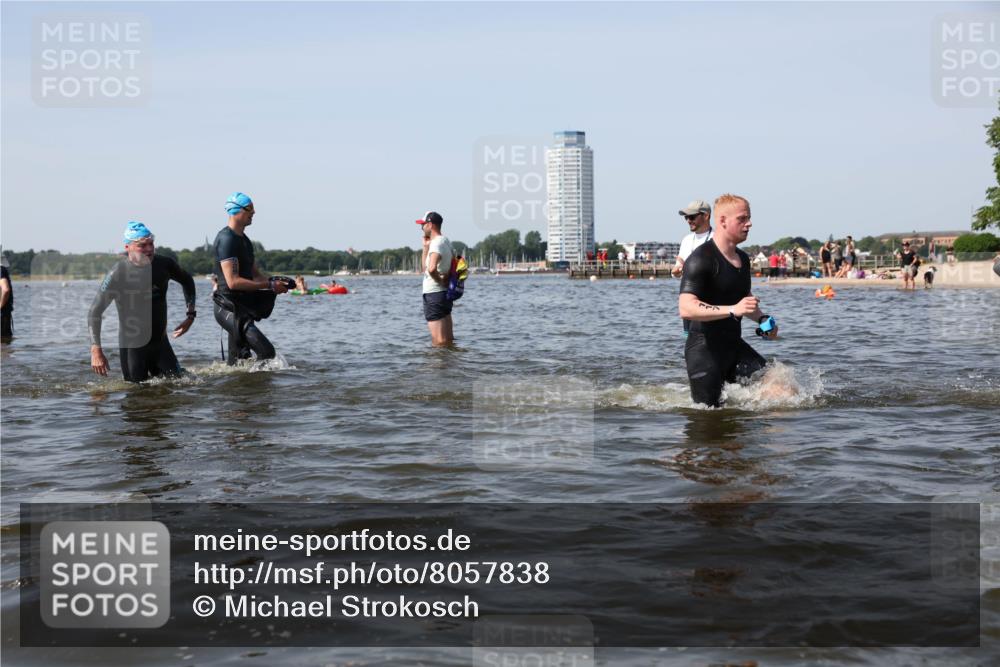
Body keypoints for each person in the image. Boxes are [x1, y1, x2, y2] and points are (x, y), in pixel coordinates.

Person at [678, 194, 779, 408]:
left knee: (780, 385)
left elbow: (744, 301)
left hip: (734, 346)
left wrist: (761, 318)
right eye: (742, 219)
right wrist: (734, 309)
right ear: (722, 221)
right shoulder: (700, 259)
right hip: (704, 351)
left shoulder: (742, 258)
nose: (749, 223)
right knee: (711, 419)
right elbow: (686, 308)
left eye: (749, 218)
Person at [89, 222, 196, 381]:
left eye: (151, 244)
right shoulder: (118, 273)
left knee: (179, 385)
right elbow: (94, 312)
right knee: (136, 395)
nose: (149, 249)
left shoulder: (164, 265)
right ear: (128, 247)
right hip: (133, 347)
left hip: (160, 344)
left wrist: (190, 315)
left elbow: (187, 280)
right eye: (142, 245)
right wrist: (96, 350)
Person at [212, 192, 288, 365]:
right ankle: (262, 390)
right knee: (266, 351)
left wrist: (276, 284)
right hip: (228, 308)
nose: (253, 212)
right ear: (236, 211)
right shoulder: (226, 239)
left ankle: (240, 390)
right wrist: (268, 284)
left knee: (238, 361)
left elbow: (255, 275)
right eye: (250, 209)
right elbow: (233, 282)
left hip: (242, 307)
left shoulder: (244, 240)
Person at [418, 211, 454, 347]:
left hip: (434, 294)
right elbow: (425, 269)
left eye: (423, 225)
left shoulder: (437, 244)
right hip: (444, 295)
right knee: (448, 340)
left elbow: (431, 269)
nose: (421, 228)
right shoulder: (445, 241)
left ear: (430, 225)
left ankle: (438, 368)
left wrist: (439, 281)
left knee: (439, 342)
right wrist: (425, 248)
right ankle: (451, 366)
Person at [672, 200, 712, 278]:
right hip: (689, 288)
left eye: (691, 217)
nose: (688, 221)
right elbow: (678, 265)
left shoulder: (718, 238)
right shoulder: (686, 240)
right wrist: (676, 272)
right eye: (686, 217)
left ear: (706, 216)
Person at [1, 258, 13, 343]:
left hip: (2, 315)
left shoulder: (0, 270)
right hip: (4, 315)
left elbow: (6, 290)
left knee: (3, 345)